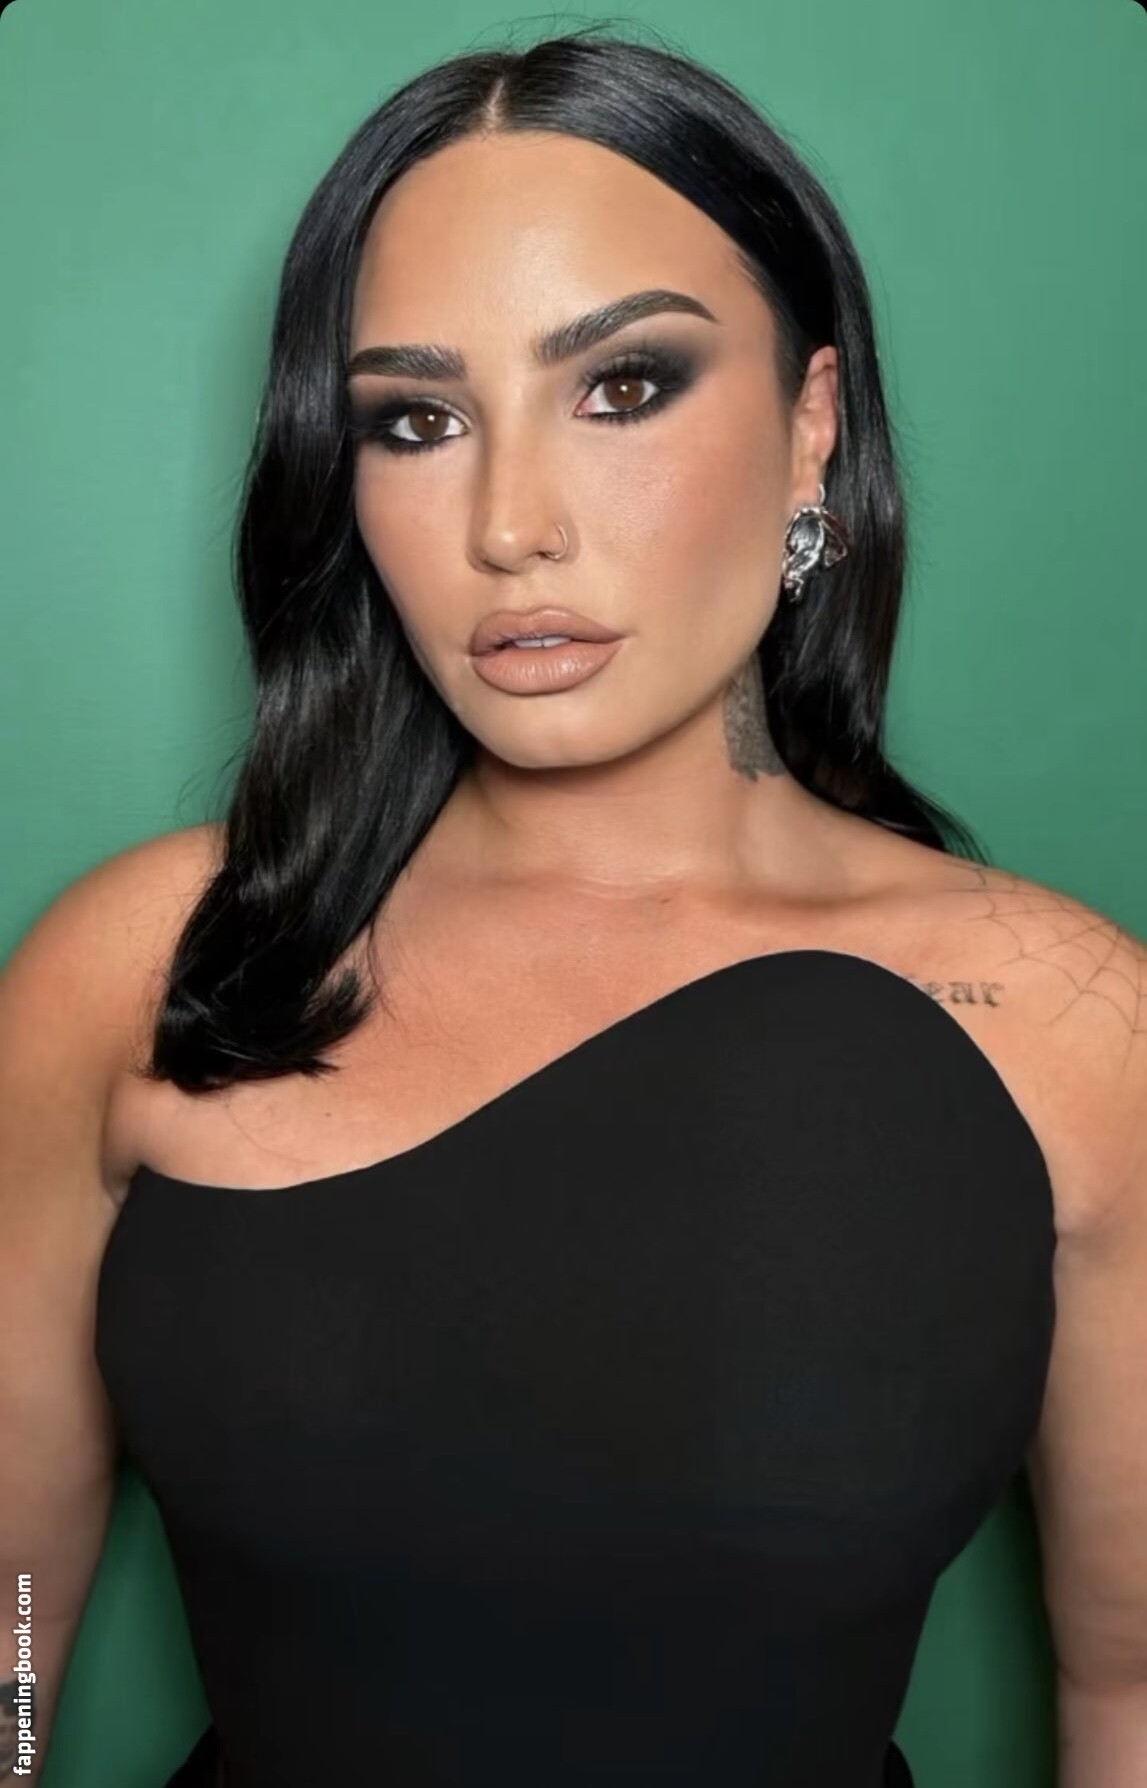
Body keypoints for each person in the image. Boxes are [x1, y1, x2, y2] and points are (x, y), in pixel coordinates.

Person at [2, 26, 1145, 1788]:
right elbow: (6, 1627)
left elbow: (1130, 1697)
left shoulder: (1071, 1027)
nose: (510, 526)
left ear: (812, 429)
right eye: (418, 419)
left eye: (622, 387)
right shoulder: (147, 963)